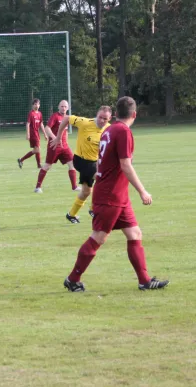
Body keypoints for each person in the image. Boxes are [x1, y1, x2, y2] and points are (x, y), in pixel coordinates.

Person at [63, 96, 169, 292]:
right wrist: (142, 191)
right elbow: (125, 165)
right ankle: (72, 279)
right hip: (110, 195)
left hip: (117, 195)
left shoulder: (109, 130)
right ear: (134, 114)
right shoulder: (123, 131)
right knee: (98, 237)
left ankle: (144, 281)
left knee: (134, 233)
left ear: (116, 113)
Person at [51, 106, 112, 224]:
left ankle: (71, 214)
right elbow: (66, 119)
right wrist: (58, 137)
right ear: (96, 115)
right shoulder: (85, 123)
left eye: (105, 119)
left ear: (109, 119)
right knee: (103, 181)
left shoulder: (109, 129)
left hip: (94, 163)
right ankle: (94, 209)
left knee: (86, 191)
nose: (102, 120)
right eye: (100, 117)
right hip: (81, 161)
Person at [34, 100, 78, 193]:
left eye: (65, 106)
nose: (63, 108)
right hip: (54, 146)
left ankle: (74, 187)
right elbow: (47, 128)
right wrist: (55, 138)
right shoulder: (55, 116)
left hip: (64, 146)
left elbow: (65, 132)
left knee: (72, 163)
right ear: (58, 107)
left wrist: (65, 141)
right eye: (62, 106)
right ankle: (38, 187)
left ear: (68, 108)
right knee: (47, 166)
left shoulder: (67, 118)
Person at [17, 98, 46, 169]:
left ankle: (22, 160)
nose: (37, 105)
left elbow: (41, 124)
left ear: (39, 105)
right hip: (33, 134)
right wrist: (28, 134)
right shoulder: (31, 113)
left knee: (37, 149)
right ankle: (22, 160)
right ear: (32, 105)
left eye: (38, 104)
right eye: (35, 104)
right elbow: (28, 124)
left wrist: (45, 134)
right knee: (37, 149)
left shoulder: (40, 114)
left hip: (37, 133)